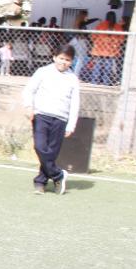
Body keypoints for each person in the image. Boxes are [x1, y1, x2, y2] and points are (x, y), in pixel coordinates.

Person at [23, 44, 80, 194]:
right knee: (40, 147)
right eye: (61, 58)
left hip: (61, 119)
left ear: (72, 61)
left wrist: (71, 125)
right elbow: (29, 90)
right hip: (41, 116)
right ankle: (58, 175)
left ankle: (41, 182)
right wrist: (28, 106)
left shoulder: (73, 79)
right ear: (54, 57)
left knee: (51, 152)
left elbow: (75, 103)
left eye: (67, 60)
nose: (63, 62)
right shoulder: (43, 72)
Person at [89, 11, 126, 85]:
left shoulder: (101, 25)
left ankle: (94, 83)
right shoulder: (118, 27)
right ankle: (105, 83)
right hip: (111, 52)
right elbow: (122, 40)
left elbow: (93, 37)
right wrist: (114, 43)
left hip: (99, 51)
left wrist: (98, 42)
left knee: (97, 67)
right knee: (107, 69)